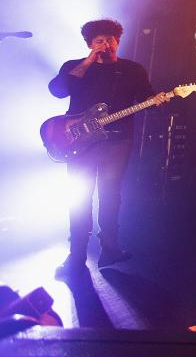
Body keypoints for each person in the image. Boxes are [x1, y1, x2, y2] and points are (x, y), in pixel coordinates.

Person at [48, 18, 168, 271]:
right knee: (80, 195)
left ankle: (110, 248)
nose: (107, 44)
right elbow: (58, 90)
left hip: (117, 140)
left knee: (111, 194)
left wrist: (155, 100)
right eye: (100, 41)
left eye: (111, 39)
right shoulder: (75, 67)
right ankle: (77, 252)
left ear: (118, 41)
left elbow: (145, 94)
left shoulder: (133, 69)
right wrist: (88, 62)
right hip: (80, 140)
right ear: (90, 44)